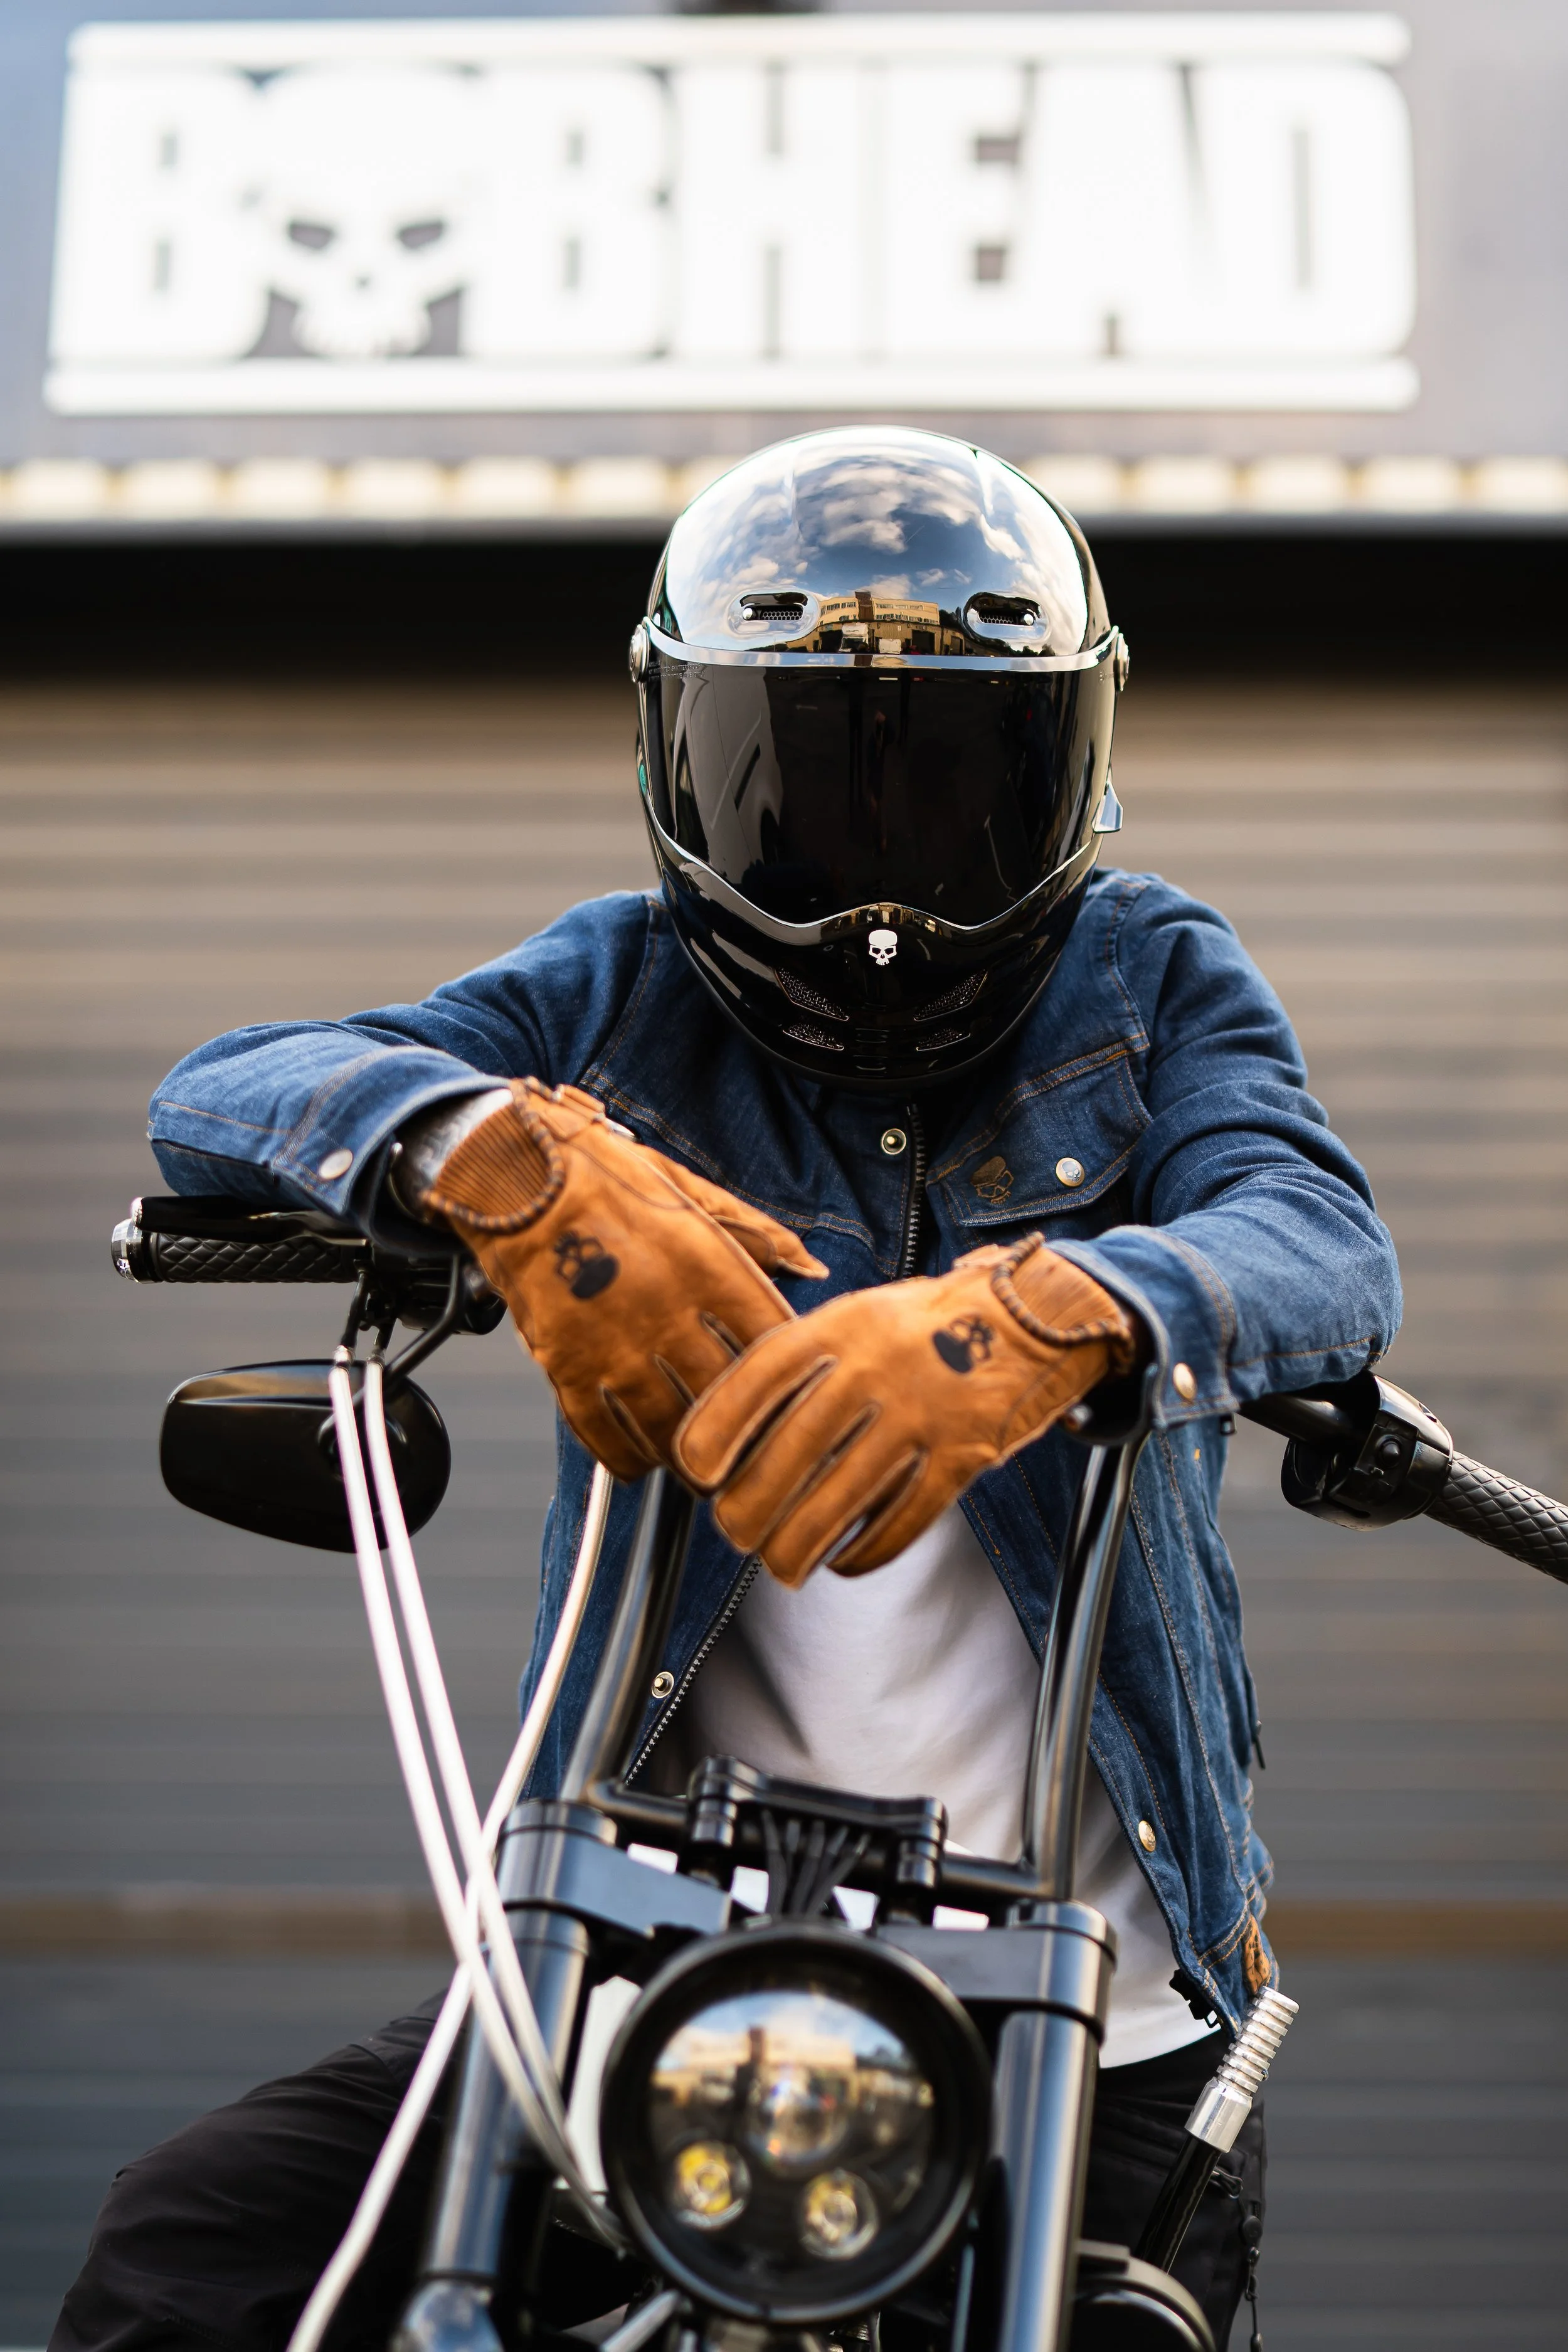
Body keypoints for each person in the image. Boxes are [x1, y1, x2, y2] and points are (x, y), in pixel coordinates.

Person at [55, 429, 1400, 2352]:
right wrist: (488, 1149)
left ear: (1068, 768)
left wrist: (1042, 1314)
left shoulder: (1147, 966)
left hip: (1089, 2008)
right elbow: (221, 1094)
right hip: (636, 1970)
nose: (880, 869)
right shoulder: (613, 996)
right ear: (679, 757)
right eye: (813, 791)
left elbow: (1318, 1242)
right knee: (192, 2255)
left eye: (950, 782)